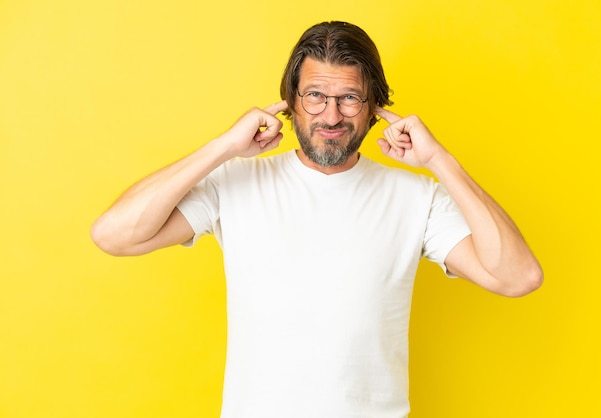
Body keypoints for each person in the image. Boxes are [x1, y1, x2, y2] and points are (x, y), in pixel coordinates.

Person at [91, 21, 542, 418]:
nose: (331, 115)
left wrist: (440, 161)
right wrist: (223, 147)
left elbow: (518, 276)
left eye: (349, 98)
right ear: (289, 102)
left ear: (374, 106)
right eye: (314, 96)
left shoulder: (417, 198)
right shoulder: (235, 182)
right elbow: (114, 234)